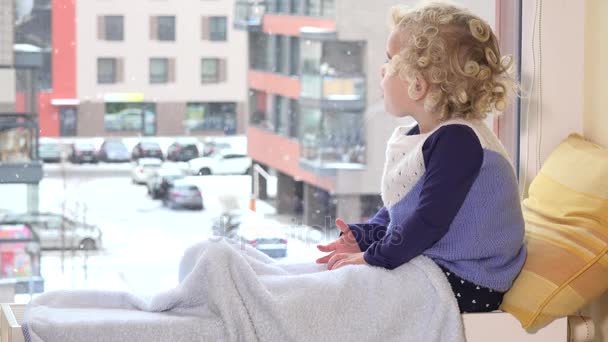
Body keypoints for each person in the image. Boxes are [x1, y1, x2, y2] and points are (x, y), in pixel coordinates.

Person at [315, 1, 526, 314]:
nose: (381, 70)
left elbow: (427, 222)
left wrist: (373, 257)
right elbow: (403, 208)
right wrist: (363, 237)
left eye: (390, 62)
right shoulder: (435, 136)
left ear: (417, 84)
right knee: (338, 282)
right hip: (445, 267)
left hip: (470, 280)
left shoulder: (459, 142)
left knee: (346, 297)